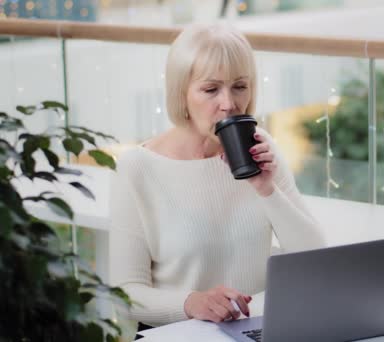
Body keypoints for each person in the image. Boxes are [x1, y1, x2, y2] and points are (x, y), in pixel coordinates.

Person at [109, 23, 326, 331]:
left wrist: (266, 189)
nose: (229, 103)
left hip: (252, 331)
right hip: (177, 335)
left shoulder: (261, 148)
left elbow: (315, 258)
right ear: (181, 94)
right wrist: (190, 303)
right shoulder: (137, 168)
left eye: (240, 86)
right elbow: (124, 294)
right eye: (211, 89)